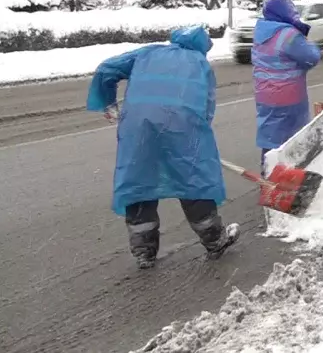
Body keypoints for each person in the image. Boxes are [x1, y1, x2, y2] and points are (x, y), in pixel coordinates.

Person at [86, 26, 238, 269]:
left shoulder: (148, 53)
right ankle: (215, 241)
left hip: (138, 128)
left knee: (139, 181)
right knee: (193, 180)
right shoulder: (200, 63)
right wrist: (197, 136)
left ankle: (144, 253)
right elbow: (206, 108)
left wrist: (108, 102)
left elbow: (107, 68)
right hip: (182, 128)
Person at [253, 0, 322, 167]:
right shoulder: (288, 35)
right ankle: (289, 174)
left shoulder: (261, 31)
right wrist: (305, 39)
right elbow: (311, 57)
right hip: (289, 95)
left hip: (265, 94)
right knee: (293, 139)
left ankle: (268, 171)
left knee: (271, 136)